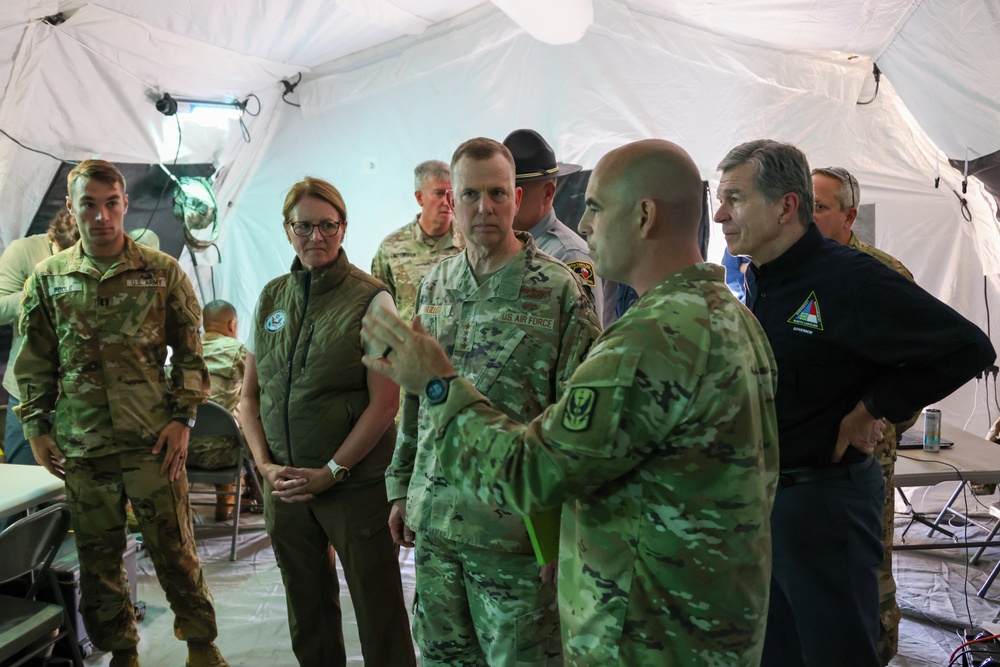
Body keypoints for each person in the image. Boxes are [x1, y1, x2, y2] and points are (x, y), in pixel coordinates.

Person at [366, 139, 780, 665]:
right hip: (688, 616)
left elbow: (534, 468)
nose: (582, 226)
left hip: (642, 624)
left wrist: (438, 383)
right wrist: (405, 481)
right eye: (469, 194)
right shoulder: (728, 317)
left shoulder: (642, 337)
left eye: (595, 207)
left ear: (645, 215)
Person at [714, 139, 995, 667]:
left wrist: (874, 407)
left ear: (785, 207)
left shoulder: (851, 279)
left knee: (834, 651)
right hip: (770, 499)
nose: (720, 213)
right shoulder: (762, 277)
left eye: (735, 197)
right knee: (775, 651)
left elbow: (967, 347)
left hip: (826, 502)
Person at [384, 137, 601, 665]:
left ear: (517, 198)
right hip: (436, 528)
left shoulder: (557, 290)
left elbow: (580, 428)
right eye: (471, 194)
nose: (485, 208)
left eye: (498, 193)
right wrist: (400, 482)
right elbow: (416, 395)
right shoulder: (436, 285)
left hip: (516, 538)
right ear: (451, 200)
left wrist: (566, 530)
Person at [14, 159, 227, 667]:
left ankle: (201, 645)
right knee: (99, 558)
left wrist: (184, 419)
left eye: (111, 204)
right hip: (83, 449)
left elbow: (194, 355)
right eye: (89, 204)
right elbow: (35, 360)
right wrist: (35, 427)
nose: (102, 216)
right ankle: (121, 652)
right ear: (72, 208)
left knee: (174, 549)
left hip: (152, 443)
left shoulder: (161, 272)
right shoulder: (48, 279)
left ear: (125, 205)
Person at [238, 177, 415, 667]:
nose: (316, 236)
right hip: (287, 487)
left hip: (354, 488)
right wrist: (265, 467)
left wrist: (332, 471)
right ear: (287, 230)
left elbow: (385, 403)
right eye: (304, 226)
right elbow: (248, 397)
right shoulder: (272, 297)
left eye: (327, 225)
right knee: (307, 609)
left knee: (378, 611)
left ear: (343, 227)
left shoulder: (371, 299)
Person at [812, 165, 917, 665]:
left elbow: (919, 363)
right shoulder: (782, 268)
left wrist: (881, 417)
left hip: (865, 450)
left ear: (850, 216)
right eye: (802, 205)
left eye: (820, 207)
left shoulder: (884, 275)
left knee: (866, 561)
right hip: (805, 450)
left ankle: (876, 650)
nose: (807, 218)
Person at [0, 209, 78, 469]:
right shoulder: (22, 251)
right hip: (28, 393)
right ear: (53, 240)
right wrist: (34, 292)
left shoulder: (103, 252)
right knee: (24, 484)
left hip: (85, 394)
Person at [503, 129, 606, 321]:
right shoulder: (499, 246)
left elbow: (586, 338)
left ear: (548, 193)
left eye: (516, 190)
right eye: (500, 191)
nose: (507, 200)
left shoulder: (569, 255)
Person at [371, 159, 464, 324]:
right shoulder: (391, 248)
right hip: (409, 346)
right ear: (419, 197)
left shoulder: (470, 243)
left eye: (451, 193)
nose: (447, 201)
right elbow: (378, 308)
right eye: (439, 193)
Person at [183, 299, 250, 521]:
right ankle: (238, 501)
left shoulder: (188, 350)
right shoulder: (238, 350)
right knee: (255, 420)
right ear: (232, 325)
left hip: (182, 451)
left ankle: (227, 502)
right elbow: (262, 390)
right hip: (222, 455)